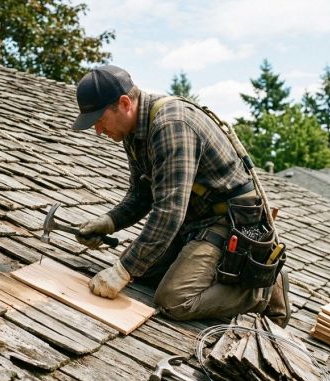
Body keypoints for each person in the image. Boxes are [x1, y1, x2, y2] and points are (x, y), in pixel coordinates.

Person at [71, 65, 291, 326]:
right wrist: (109, 222)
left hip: (228, 222)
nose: (98, 130)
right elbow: (141, 195)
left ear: (125, 103)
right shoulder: (133, 132)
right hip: (193, 220)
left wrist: (122, 271)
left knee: (174, 299)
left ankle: (262, 290)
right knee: (142, 267)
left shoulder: (171, 125)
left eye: (99, 119)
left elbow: (169, 212)